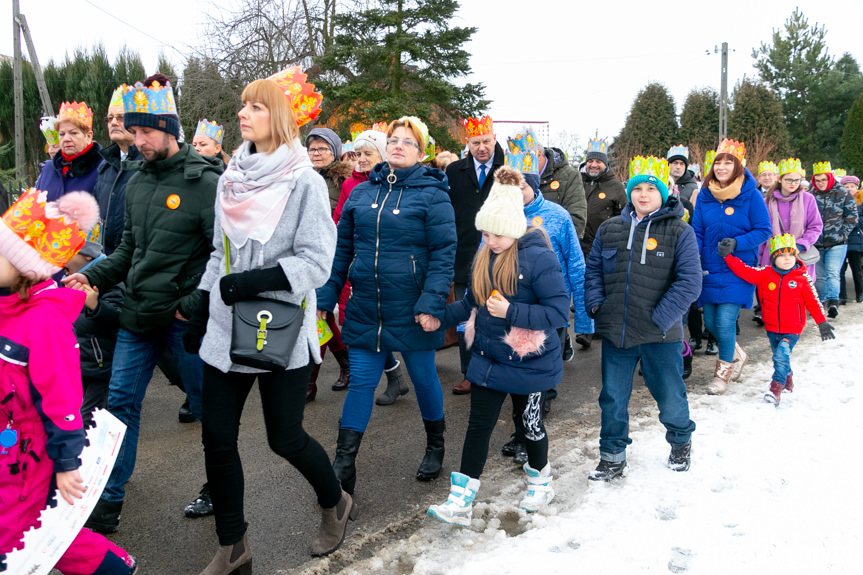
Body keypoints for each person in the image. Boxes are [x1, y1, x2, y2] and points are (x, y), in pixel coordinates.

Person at [180, 68, 354, 572]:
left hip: (278, 332)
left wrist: (254, 282)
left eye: (255, 106)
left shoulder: (304, 181)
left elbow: (317, 262)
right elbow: (219, 253)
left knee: (286, 439)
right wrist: (200, 304)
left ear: (278, 116)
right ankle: (232, 545)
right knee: (217, 437)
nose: (242, 114)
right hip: (223, 331)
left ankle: (336, 502)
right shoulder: (230, 177)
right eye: (243, 105)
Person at [63, 79, 224, 534]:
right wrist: (90, 275)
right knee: (118, 408)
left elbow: (222, 254)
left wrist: (191, 304)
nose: (137, 141)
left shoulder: (206, 182)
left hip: (182, 322)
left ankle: (218, 488)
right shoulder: (136, 182)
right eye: (132, 133)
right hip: (136, 316)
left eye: (145, 133)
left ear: (169, 128)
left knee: (206, 407)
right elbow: (126, 251)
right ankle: (109, 501)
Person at [0, 189, 138, 575]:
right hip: (6, 445)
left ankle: (115, 569)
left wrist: (65, 462)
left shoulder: (43, 322)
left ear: (26, 268)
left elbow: (62, 400)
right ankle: (118, 567)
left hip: (31, 454)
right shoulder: (6, 305)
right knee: (45, 532)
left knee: (17, 536)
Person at [317, 116, 456, 493]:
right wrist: (327, 295)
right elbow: (342, 248)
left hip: (412, 307)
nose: (398, 145)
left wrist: (431, 302)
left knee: (424, 376)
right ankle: (343, 463)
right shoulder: (362, 193)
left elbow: (444, 254)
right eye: (393, 140)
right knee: (361, 383)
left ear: (421, 151)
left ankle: (436, 443)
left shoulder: (433, 194)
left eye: (407, 142)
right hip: (365, 305)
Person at [427, 167, 569, 524]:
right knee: (478, 427)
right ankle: (461, 500)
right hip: (490, 359)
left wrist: (512, 311)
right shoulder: (485, 256)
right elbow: (471, 303)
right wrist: (438, 316)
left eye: (497, 234)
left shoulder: (540, 259)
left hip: (529, 362)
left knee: (530, 426)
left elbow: (556, 312)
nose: (491, 241)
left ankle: (541, 482)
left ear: (515, 229)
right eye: (486, 233)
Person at [584, 157, 701, 481]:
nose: (644, 194)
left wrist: (660, 318)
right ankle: (612, 457)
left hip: (660, 334)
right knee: (612, 398)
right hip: (616, 332)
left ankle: (680, 441)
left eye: (652, 188)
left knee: (670, 395)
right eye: (638, 188)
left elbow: (689, 282)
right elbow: (593, 271)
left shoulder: (680, 231)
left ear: (664, 193)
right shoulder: (610, 229)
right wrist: (596, 305)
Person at [499, 165, 590, 463]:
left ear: (534, 185)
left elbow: (576, 265)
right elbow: (481, 261)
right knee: (515, 377)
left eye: (521, 186)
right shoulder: (498, 212)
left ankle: (530, 435)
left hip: (548, 310)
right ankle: (520, 432)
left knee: (536, 383)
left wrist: (585, 321)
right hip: (510, 310)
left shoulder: (557, 216)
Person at [330, 128, 408, 406]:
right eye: (357, 154)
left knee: (372, 327)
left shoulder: (393, 182)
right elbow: (340, 217)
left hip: (378, 266)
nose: (360, 159)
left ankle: (381, 381)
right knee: (354, 326)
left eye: (367, 154)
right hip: (353, 262)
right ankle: (392, 375)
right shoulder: (351, 184)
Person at [691, 139, 771, 394]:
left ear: (738, 166)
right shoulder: (704, 195)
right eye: (718, 162)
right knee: (712, 323)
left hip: (738, 267)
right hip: (709, 266)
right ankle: (736, 353)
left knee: (725, 323)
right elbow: (697, 230)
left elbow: (763, 230)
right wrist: (695, 258)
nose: (722, 167)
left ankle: (722, 376)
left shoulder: (751, 194)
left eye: (728, 162)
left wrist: (737, 242)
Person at [723, 233, 834, 405]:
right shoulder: (764, 274)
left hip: (793, 329)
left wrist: (822, 323)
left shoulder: (802, 279)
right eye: (782, 255)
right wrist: (728, 256)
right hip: (772, 327)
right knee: (780, 356)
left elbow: (814, 302)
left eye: (791, 254)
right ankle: (788, 377)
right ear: (774, 257)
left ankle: (776, 388)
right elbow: (744, 271)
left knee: (780, 356)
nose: (788, 258)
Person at [446, 115, 505, 394]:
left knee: (498, 311)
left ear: (494, 139)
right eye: (475, 143)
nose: (481, 148)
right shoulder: (454, 171)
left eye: (486, 141)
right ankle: (469, 372)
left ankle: (500, 366)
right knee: (465, 316)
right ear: (466, 143)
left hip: (499, 253)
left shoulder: (508, 171)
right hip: (463, 252)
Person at [306, 127, 354, 393]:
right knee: (320, 313)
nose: (317, 153)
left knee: (318, 313)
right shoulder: (303, 176)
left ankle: (309, 381)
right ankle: (345, 362)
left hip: (334, 254)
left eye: (323, 148)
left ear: (334, 151)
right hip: (307, 252)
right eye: (313, 148)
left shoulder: (342, 180)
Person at [64, 239, 125, 429]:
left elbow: (120, 318)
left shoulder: (108, 280)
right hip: (79, 365)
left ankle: (92, 457)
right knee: (72, 415)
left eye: (68, 252)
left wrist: (95, 305)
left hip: (101, 367)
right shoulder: (69, 280)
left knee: (88, 421)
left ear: (87, 255)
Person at [754, 158, 823, 325]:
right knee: (773, 290)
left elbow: (815, 226)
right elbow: (763, 229)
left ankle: (792, 324)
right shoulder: (768, 200)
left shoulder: (808, 199)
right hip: (773, 253)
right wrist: (761, 256)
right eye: (789, 179)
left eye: (797, 180)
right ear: (780, 179)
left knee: (796, 290)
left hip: (798, 253)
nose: (793, 183)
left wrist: (801, 244)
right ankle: (773, 321)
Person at [577, 138, 626, 349]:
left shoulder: (615, 186)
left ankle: (598, 327)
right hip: (578, 244)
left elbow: (624, 215)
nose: (593, 164)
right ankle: (585, 330)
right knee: (582, 286)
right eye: (590, 161)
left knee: (599, 286)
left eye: (598, 161)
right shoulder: (577, 181)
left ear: (605, 164)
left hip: (604, 246)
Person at [93, 86, 142, 256]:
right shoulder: (105, 166)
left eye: (121, 118)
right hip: (107, 264)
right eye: (110, 118)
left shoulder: (148, 165)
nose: (113, 122)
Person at [810, 162, 858, 317]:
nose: (820, 183)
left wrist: (843, 234)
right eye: (817, 180)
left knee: (832, 272)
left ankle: (833, 302)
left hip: (837, 242)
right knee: (820, 275)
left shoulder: (843, 193)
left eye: (823, 179)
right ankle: (821, 302)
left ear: (829, 178)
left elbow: (851, 216)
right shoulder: (810, 195)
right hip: (816, 242)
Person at [35, 102, 102, 201]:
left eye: (73, 133)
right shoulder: (48, 169)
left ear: (88, 136)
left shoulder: (103, 168)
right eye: (62, 134)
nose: (66, 138)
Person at [839, 175, 863, 304]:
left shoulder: (861, 201)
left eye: (851, 187)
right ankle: (842, 295)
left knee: (856, 268)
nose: (849, 189)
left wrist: (851, 222)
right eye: (846, 187)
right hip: (842, 238)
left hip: (856, 239)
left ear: (856, 188)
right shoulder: (840, 200)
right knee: (841, 269)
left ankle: (860, 292)